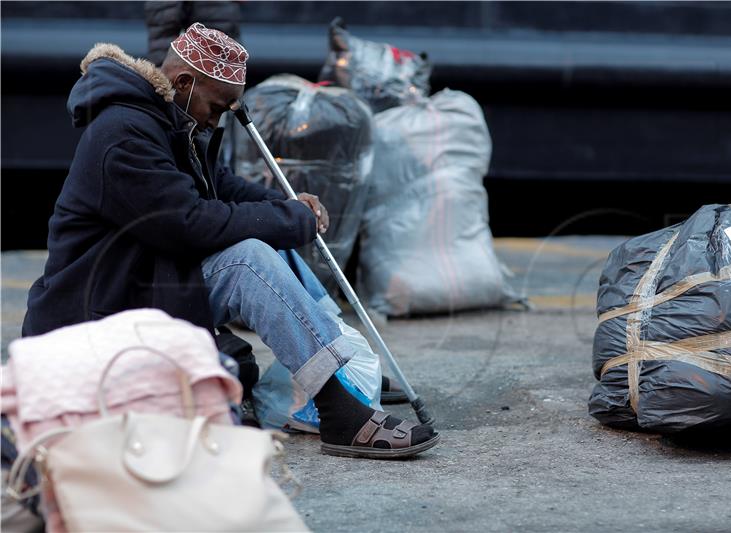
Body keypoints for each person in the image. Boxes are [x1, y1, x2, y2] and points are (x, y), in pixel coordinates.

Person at [22, 23, 438, 459]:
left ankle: (341, 366)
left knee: (268, 237)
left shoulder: (166, 117)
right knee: (247, 259)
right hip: (97, 308)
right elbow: (190, 223)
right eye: (217, 107)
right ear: (184, 83)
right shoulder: (122, 135)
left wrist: (289, 204)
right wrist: (285, 220)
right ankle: (339, 410)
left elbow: (216, 184)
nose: (216, 120)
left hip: (141, 281)